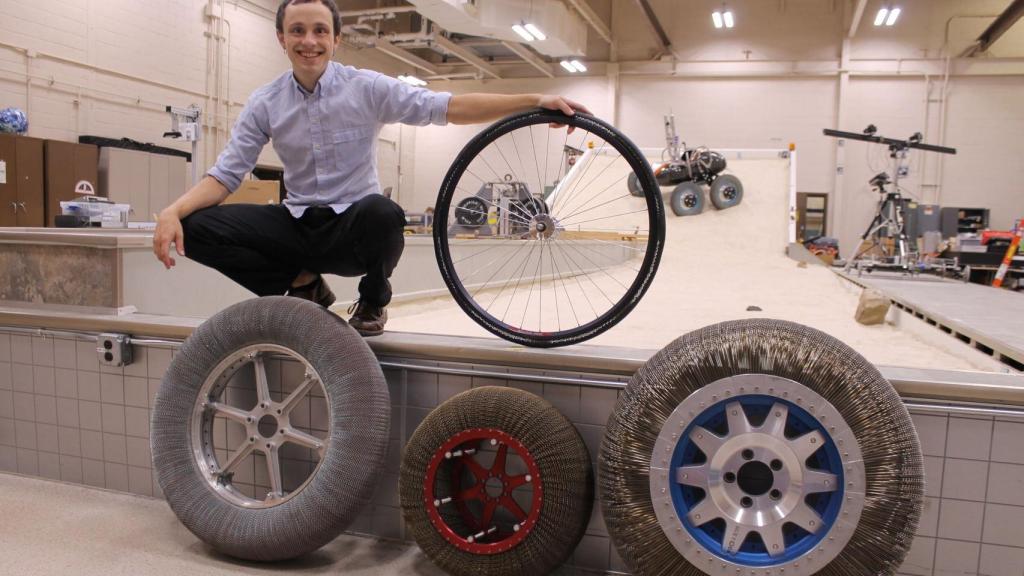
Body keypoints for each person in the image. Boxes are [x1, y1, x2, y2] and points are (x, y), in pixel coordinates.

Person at [152, 0, 588, 336]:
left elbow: (447, 107)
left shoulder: (366, 88)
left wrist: (533, 100)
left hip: (354, 231)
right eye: (298, 31)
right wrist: (173, 212)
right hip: (299, 227)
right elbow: (227, 174)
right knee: (198, 225)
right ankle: (302, 281)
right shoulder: (265, 102)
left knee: (383, 212)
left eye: (320, 31)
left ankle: (373, 299)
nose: (310, 41)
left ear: (336, 39)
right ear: (281, 39)